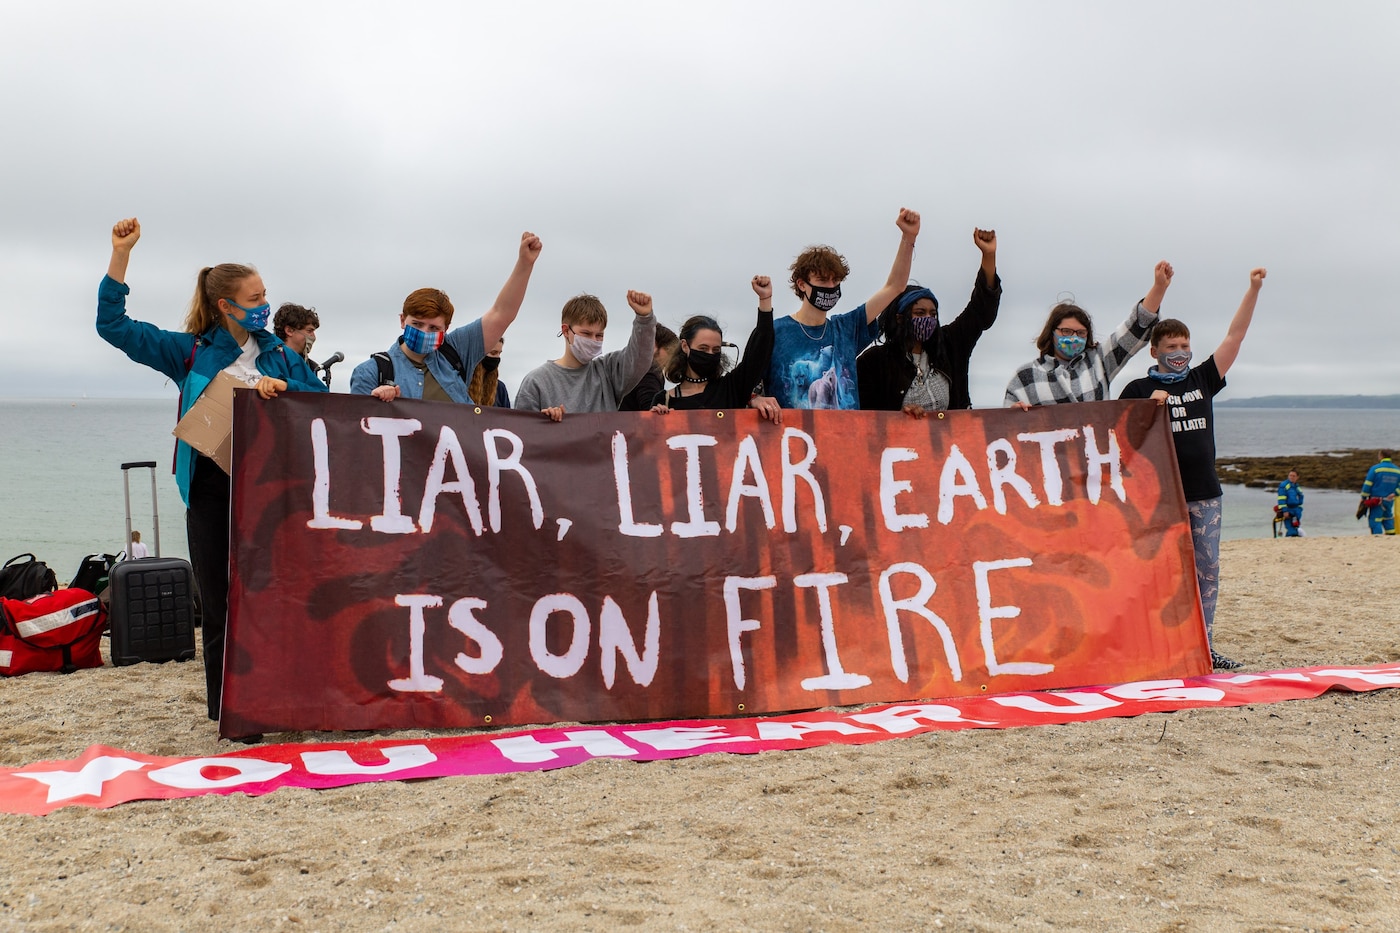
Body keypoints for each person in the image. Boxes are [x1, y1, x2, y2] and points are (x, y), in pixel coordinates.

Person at [96, 218, 326, 727]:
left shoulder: (280, 355)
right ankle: (230, 708)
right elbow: (114, 327)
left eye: (266, 293)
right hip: (210, 489)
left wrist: (284, 392)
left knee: (274, 596)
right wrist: (121, 256)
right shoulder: (192, 350)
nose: (264, 303)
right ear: (226, 304)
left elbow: (324, 407)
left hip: (271, 491)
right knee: (220, 602)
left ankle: (279, 694)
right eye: (255, 296)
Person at [1119, 267, 1268, 671]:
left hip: (1205, 495)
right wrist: (1149, 407)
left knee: (1206, 575)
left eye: (1185, 344)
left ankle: (1204, 646)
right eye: (1171, 345)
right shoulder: (1135, 391)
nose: (1180, 350)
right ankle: (1155, 645)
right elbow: (1119, 442)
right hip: (1156, 499)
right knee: (1156, 573)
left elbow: (1234, 338)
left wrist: (1252, 288)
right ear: (1155, 351)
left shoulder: (1203, 378)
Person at [350, 232, 543, 403]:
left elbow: (502, 314)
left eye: (433, 328)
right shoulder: (371, 372)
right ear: (402, 320)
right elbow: (356, 430)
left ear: (446, 329)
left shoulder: (456, 351)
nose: (424, 332)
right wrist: (375, 404)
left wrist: (525, 264)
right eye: (417, 324)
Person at [766, 208, 922, 411]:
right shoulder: (775, 332)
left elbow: (895, 286)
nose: (831, 287)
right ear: (802, 284)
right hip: (794, 439)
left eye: (836, 280)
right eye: (822, 280)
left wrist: (908, 237)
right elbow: (746, 383)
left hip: (845, 439)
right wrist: (754, 398)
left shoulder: (847, 328)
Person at [858, 229, 1001, 414]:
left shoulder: (951, 345)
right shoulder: (874, 362)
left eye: (933, 314)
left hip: (953, 441)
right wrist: (900, 418)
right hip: (900, 442)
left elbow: (980, 312)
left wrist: (988, 255)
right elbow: (864, 417)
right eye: (920, 313)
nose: (928, 319)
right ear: (900, 318)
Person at [1005, 262, 1174, 408]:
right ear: (1051, 333)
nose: (1073, 337)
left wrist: (1159, 287)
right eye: (1066, 331)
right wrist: (1016, 414)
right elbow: (1003, 425)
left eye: (1080, 333)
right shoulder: (1025, 375)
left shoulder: (1099, 361)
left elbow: (1135, 329)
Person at [652, 276, 780, 421]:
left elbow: (758, 354)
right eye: (703, 348)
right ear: (685, 346)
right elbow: (651, 439)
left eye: (716, 350)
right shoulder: (664, 399)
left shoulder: (731, 388)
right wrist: (657, 419)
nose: (709, 354)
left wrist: (765, 301)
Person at [513, 291, 658, 420]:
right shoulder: (536, 381)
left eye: (599, 335)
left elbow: (639, 359)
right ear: (565, 331)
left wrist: (644, 318)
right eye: (586, 334)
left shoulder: (608, 372)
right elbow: (522, 434)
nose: (593, 341)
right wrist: (543, 421)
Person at [620, 323, 679, 412]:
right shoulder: (650, 369)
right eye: (669, 350)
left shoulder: (625, 365)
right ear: (654, 345)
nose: (671, 358)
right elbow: (650, 405)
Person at [1359, 451, 1400, 535]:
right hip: (1389, 500)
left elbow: (1368, 484)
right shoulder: (1397, 470)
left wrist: (1363, 497)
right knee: (1388, 518)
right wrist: (1395, 493)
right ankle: (1391, 536)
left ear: (1381, 456)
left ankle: (1378, 538)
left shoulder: (1375, 469)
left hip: (1376, 500)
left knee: (1375, 520)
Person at [467, 337, 511, 408]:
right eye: (493, 353)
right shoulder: (462, 384)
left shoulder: (500, 388)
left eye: (499, 353)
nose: (497, 358)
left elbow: (507, 417)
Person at [1275, 469, 1304, 537]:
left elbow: (1301, 496)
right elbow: (1281, 499)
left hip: (1296, 510)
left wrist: (1299, 507)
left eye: (1293, 476)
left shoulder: (1297, 486)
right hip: (1288, 510)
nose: (1291, 477)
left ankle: (1293, 538)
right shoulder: (1284, 485)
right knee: (1290, 527)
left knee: (1296, 525)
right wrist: (1284, 510)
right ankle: (1290, 538)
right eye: (1290, 475)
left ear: (1297, 477)